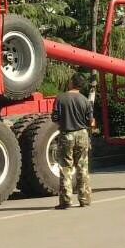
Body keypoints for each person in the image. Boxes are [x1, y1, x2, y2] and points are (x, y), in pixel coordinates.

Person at [51, 73, 94, 209]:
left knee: (65, 168)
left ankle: (66, 200)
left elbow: (55, 118)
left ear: (71, 82)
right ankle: (84, 199)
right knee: (82, 167)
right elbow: (90, 121)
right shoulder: (85, 100)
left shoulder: (60, 98)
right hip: (82, 134)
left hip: (66, 134)